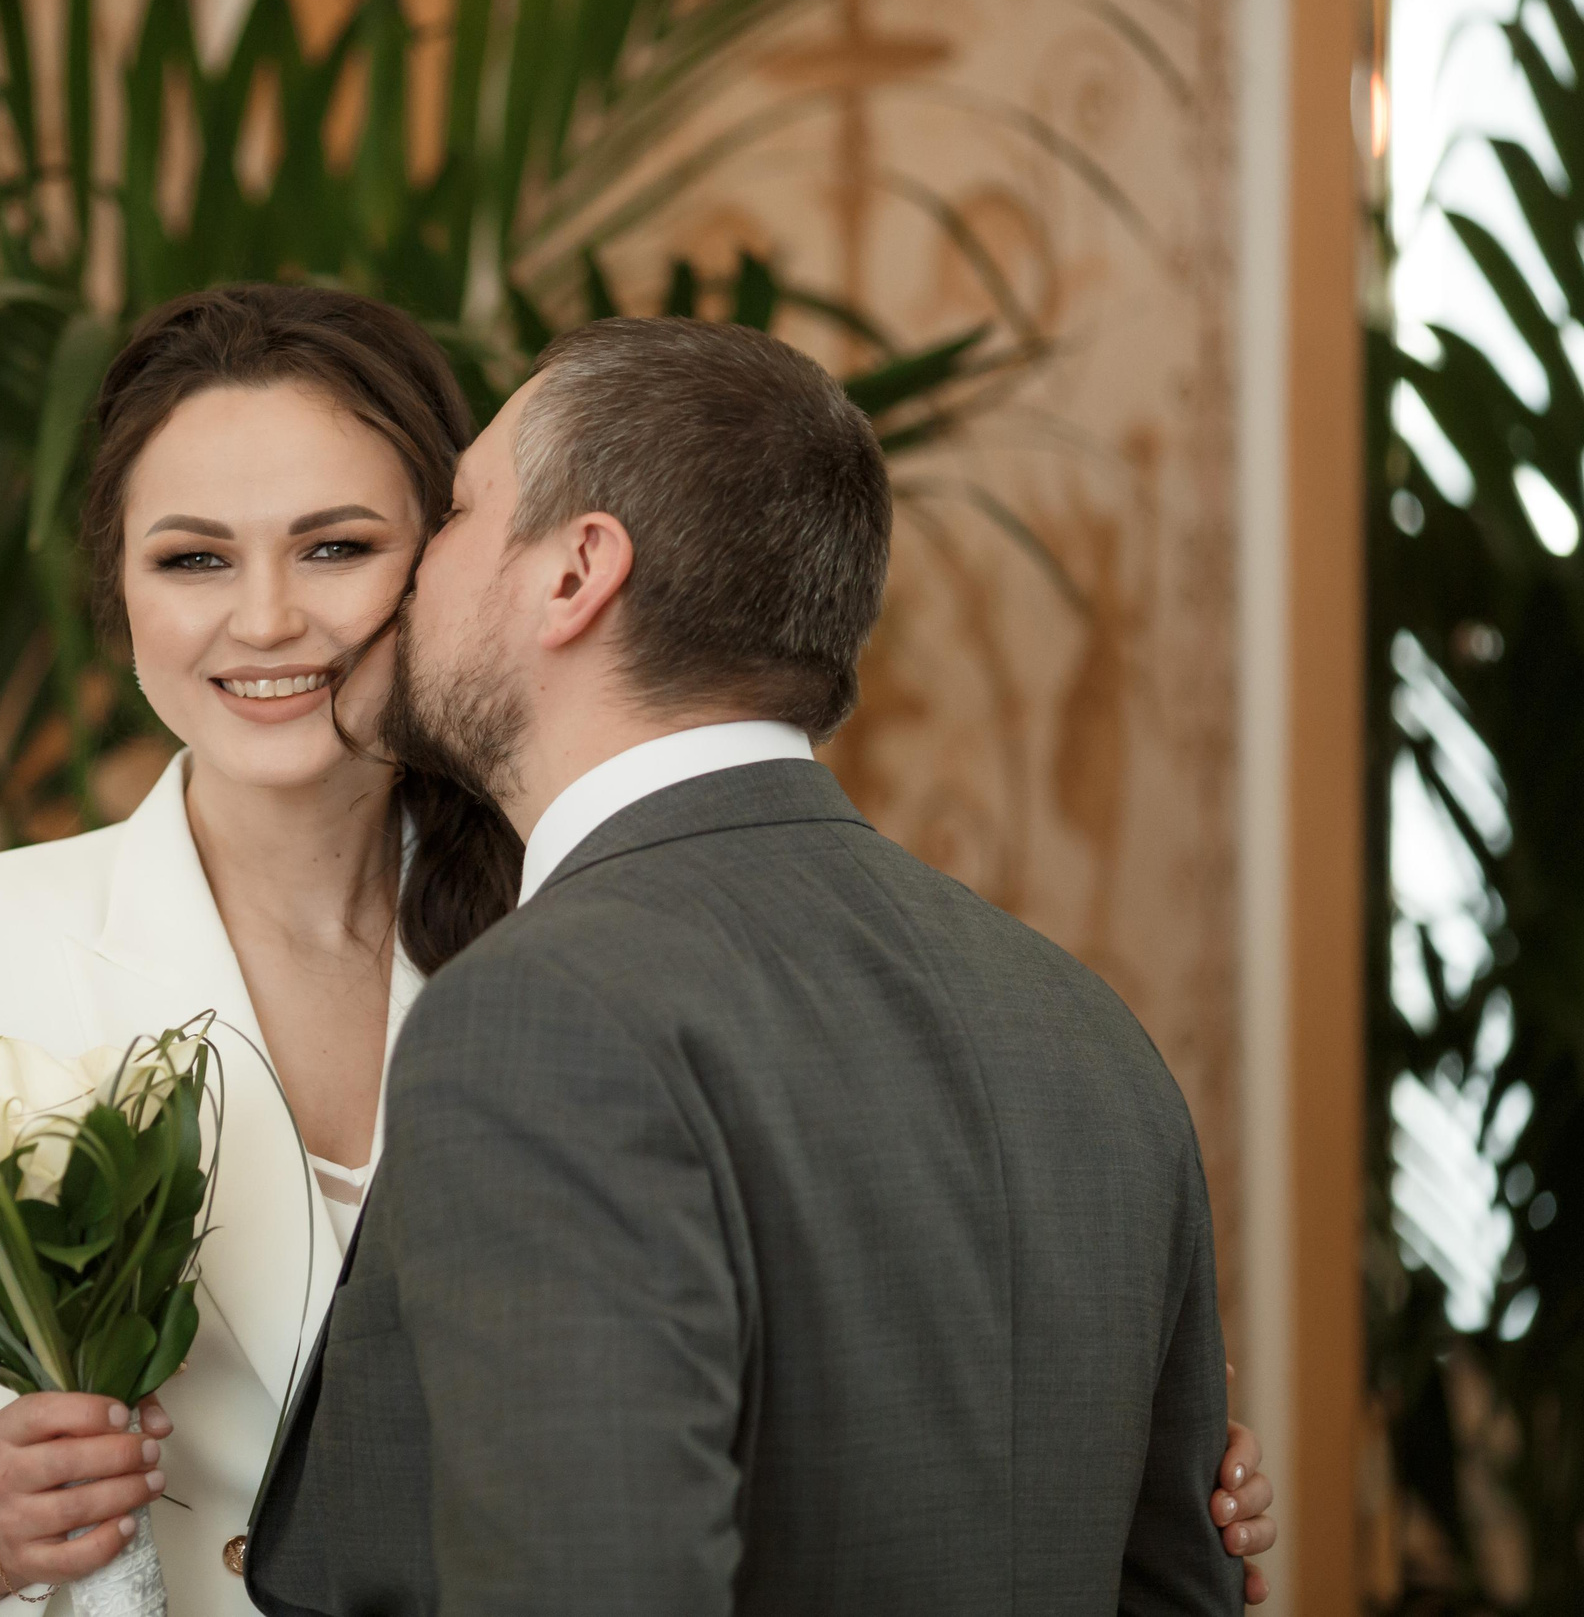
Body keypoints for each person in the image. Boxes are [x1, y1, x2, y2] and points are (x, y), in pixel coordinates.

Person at [0, 287, 1276, 1616]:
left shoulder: (596, 963)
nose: (265, 620)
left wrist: (1074, 1447)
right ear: (119, 590)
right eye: (190, 558)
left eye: (341, 546)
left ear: (474, 565)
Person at [244, 316, 1259, 1615]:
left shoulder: (540, 1020)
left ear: (575, 574)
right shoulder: (1081, 1028)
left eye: (452, 518)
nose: (406, 582)